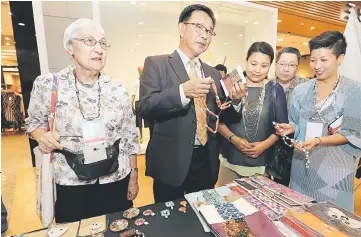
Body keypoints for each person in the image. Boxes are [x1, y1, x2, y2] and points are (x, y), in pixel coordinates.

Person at [26, 18, 140, 222]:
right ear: (70, 47)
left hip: (114, 179)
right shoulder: (48, 85)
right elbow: (34, 124)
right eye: (89, 41)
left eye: (103, 43)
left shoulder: (117, 89)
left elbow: (130, 136)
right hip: (70, 184)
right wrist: (43, 137)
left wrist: (134, 175)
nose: (99, 49)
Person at [139, 4, 245, 202]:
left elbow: (223, 116)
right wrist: (182, 92)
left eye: (210, 31)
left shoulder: (213, 72)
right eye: (199, 27)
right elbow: (146, 107)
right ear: (181, 28)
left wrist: (235, 101)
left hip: (206, 161)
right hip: (172, 164)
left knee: (204, 221)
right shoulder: (157, 64)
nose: (205, 35)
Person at [275, 31, 361, 212]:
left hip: (334, 171)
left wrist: (320, 140)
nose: (316, 66)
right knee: (298, 217)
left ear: (340, 58)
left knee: (331, 221)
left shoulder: (354, 90)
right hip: (301, 167)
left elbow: (352, 133)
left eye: (323, 60)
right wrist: (290, 128)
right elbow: (297, 123)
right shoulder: (301, 90)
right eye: (313, 60)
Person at [218, 42, 288, 185]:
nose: (257, 70)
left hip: (262, 164)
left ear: (270, 66)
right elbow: (217, 120)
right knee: (227, 202)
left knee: (256, 206)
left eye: (264, 66)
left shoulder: (275, 89)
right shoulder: (230, 83)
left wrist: (264, 145)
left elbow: (281, 127)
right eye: (253, 64)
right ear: (246, 61)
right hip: (230, 159)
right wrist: (234, 139)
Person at [268, 47, 308, 186]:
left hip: (296, 149)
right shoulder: (267, 85)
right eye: (282, 64)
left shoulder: (307, 88)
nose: (286, 69)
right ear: (276, 64)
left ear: (297, 66)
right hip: (268, 147)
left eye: (291, 65)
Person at [131, 66, 152, 143]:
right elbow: (133, 93)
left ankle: (151, 135)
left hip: (146, 101)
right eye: (140, 70)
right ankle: (141, 137)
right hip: (138, 102)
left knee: (149, 120)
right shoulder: (136, 81)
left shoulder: (147, 81)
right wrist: (131, 104)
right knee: (139, 121)